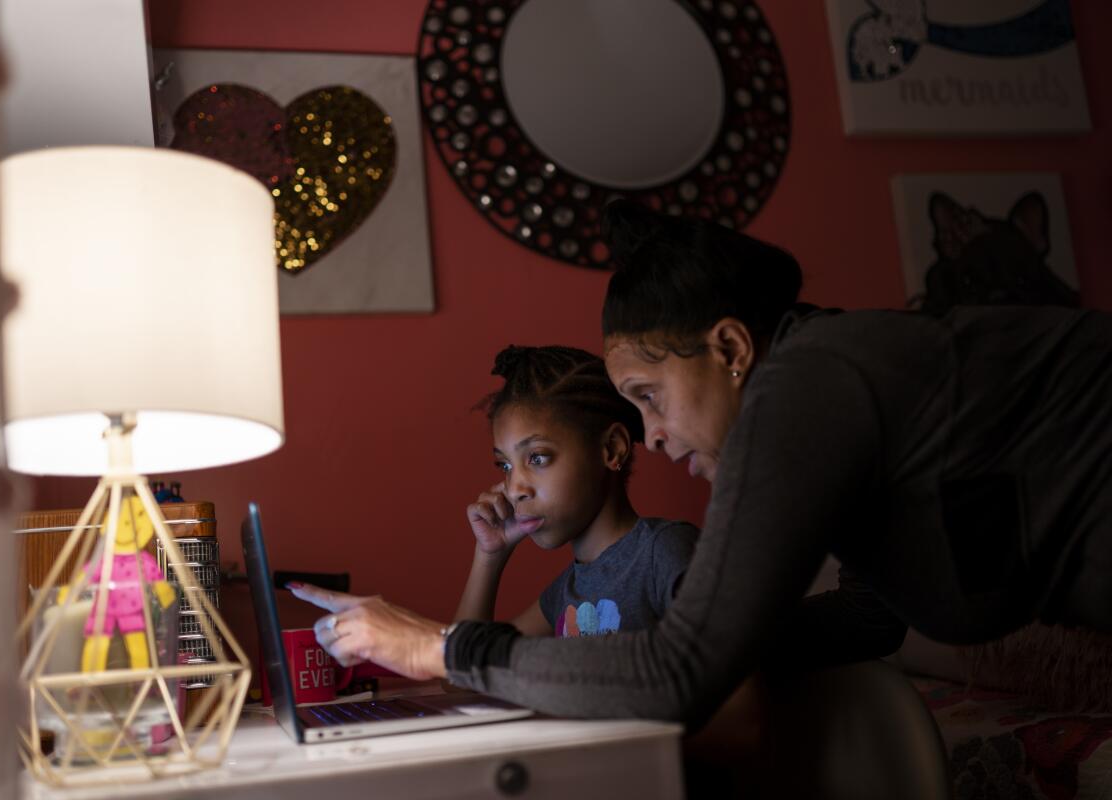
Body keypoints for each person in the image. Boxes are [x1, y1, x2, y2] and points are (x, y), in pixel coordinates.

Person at [287, 200, 1112, 728]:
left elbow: (682, 673)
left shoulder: (810, 383)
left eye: (649, 395)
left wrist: (440, 648)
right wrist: (646, 651)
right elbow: (871, 617)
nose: (649, 436)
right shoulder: (836, 383)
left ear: (729, 348)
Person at [449, 344, 698, 638]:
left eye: (538, 458)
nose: (514, 489)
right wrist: (489, 556)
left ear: (612, 448)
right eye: (505, 466)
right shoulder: (564, 594)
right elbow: (464, 672)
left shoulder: (664, 553)